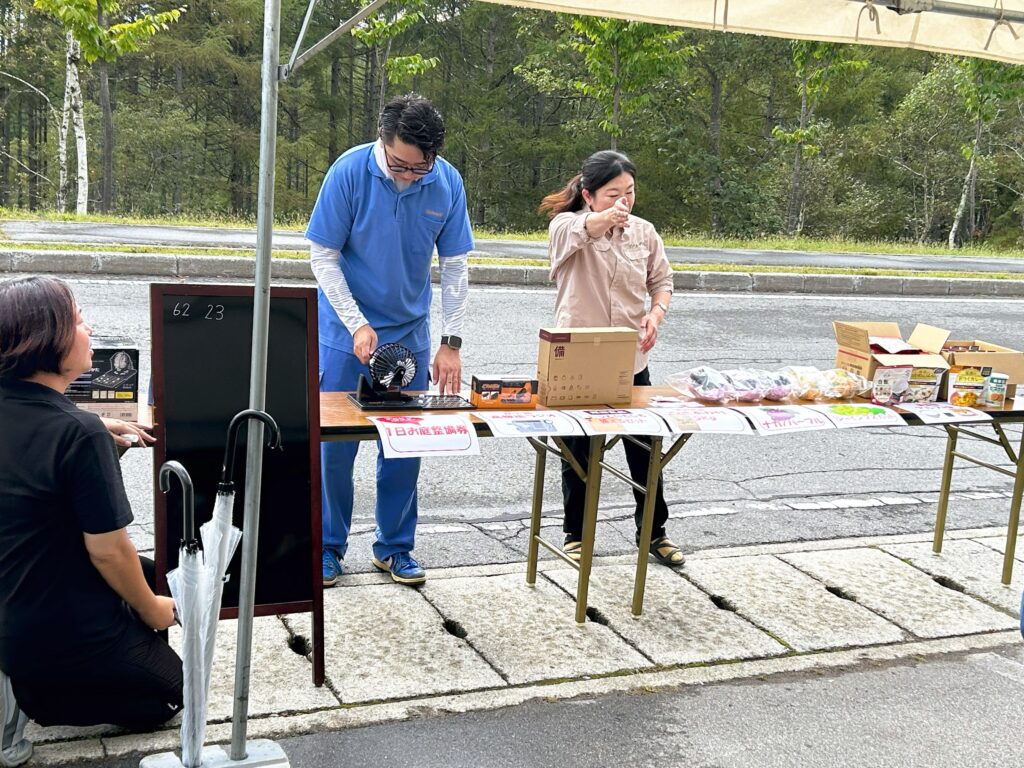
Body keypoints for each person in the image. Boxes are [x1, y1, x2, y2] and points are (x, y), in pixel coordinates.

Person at [0, 276, 183, 762]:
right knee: (170, 690)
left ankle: (72, 668)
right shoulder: (78, 435)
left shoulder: (42, 415)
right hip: (51, 627)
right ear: (50, 340)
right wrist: (150, 609)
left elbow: (38, 430)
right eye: (79, 320)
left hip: (15, 598)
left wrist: (103, 424)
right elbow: (107, 550)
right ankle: (43, 696)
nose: (89, 328)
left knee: (152, 571)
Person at [307, 93, 474, 587]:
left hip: (409, 334)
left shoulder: (445, 182)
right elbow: (322, 256)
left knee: (404, 445)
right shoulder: (349, 171)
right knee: (333, 449)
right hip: (344, 332)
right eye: (398, 164)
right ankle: (327, 547)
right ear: (383, 141)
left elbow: (457, 265)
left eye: (418, 168)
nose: (406, 176)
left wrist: (452, 340)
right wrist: (356, 322)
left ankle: (395, 547)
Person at [539, 150, 683, 567]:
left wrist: (655, 315)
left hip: (629, 358)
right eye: (613, 193)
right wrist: (607, 217)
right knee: (578, 452)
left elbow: (663, 281)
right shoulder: (566, 226)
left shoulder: (645, 232)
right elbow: (585, 228)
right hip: (576, 356)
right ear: (588, 194)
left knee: (646, 449)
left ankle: (654, 533)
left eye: (631, 192)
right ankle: (576, 535)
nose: (625, 201)